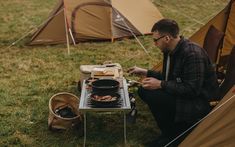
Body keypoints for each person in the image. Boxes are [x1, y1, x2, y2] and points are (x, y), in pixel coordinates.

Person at [128, 19, 219, 146]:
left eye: (155, 40)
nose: (154, 44)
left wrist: (160, 84)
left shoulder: (192, 54)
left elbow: (192, 90)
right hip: (185, 94)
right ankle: (168, 132)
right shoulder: (171, 50)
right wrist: (146, 72)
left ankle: (175, 134)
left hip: (198, 102)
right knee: (145, 90)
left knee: (152, 93)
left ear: (166, 38)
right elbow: (171, 77)